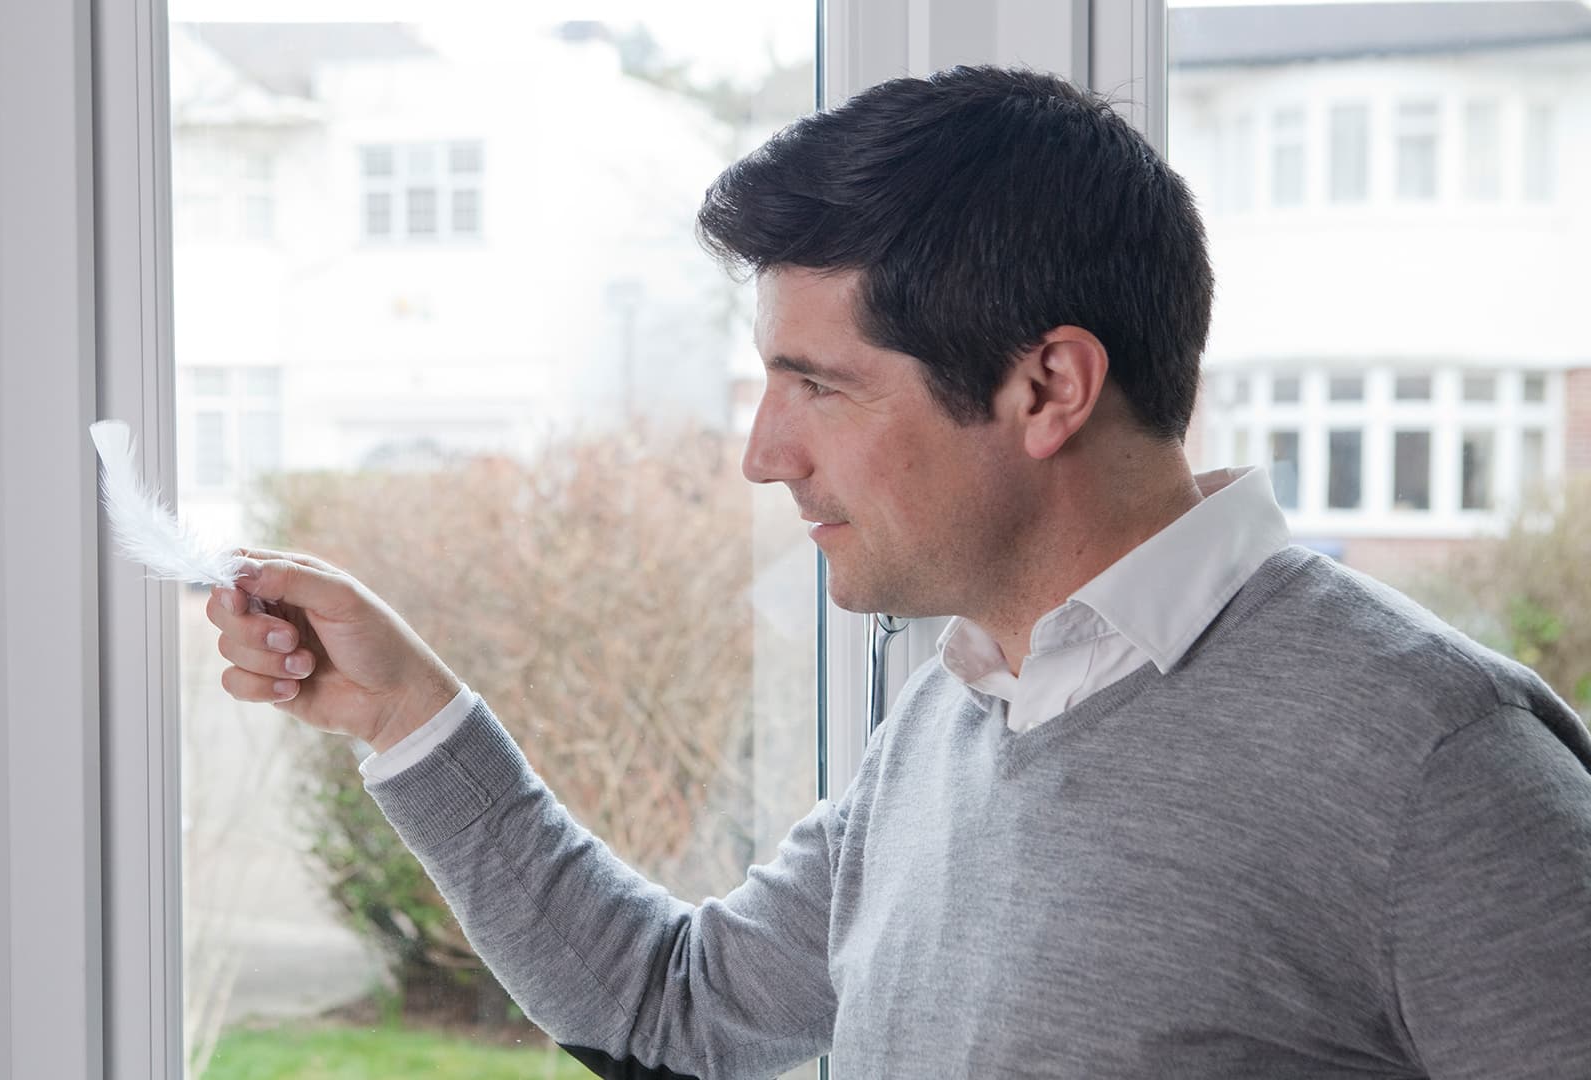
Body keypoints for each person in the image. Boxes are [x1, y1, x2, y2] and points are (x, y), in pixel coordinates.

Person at [206, 67, 1591, 1079]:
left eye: (818, 385)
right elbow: (673, 1009)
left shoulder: (1438, 763)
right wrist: (406, 716)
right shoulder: (965, 704)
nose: (763, 453)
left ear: (1048, 387)